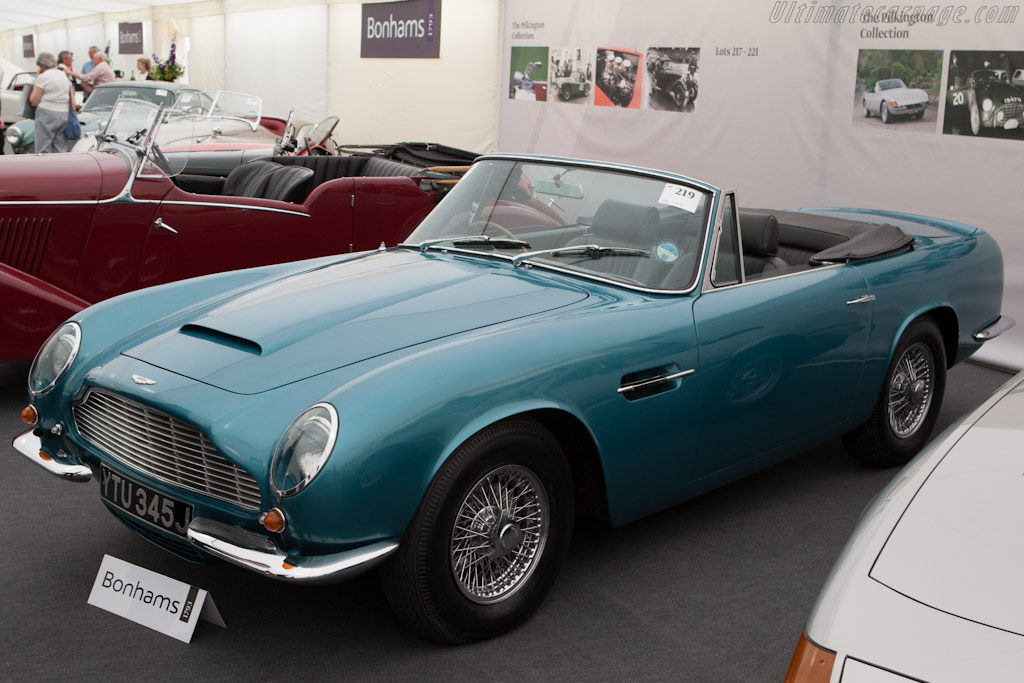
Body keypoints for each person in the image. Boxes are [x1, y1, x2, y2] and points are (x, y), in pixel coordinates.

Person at [29, 52, 73, 154]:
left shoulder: (43, 77)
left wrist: (37, 79)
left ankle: (45, 168)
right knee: (60, 146)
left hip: (47, 112)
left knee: (43, 145)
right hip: (63, 113)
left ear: (40, 66)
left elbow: (34, 101)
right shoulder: (63, 75)